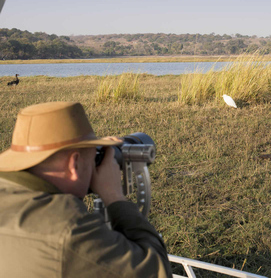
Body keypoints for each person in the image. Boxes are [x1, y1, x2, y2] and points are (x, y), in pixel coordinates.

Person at [0, 101, 172, 277]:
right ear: (73, 164)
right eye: (93, 162)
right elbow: (155, 270)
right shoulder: (70, 231)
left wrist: (87, 152)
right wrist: (114, 196)